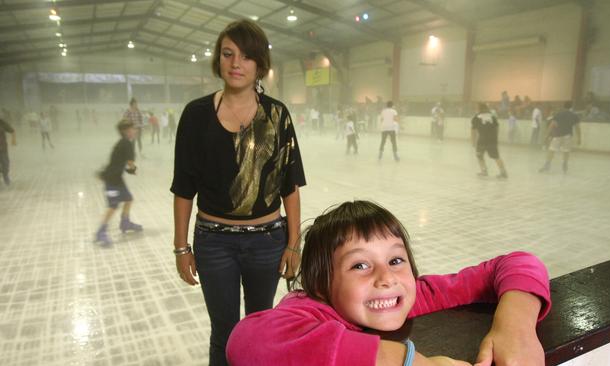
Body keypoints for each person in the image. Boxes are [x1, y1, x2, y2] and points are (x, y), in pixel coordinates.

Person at [226, 200, 551, 366]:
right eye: (360, 265)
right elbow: (247, 341)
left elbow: (518, 262)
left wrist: (515, 327)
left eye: (396, 260)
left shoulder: (416, 294)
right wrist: (406, 361)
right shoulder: (310, 309)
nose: (386, 278)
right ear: (322, 284)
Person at [171, 19, 306, 366]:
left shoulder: (276, 114)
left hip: (267, 243)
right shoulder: (196, 114)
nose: (236, 64)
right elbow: (184, 187)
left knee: (260, 328)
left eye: (246, 56)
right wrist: (181, 247)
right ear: (218, 60)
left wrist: (293, 243)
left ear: (260, 64)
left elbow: (289, 184)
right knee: (225, 332)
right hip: (214, 244)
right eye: (228, 54)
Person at [95, 119, 143, 245]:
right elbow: (130, 163)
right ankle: (101, 232)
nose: (135, 130)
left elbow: (120, 162)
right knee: (113, 205)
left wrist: (130, 170)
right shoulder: (126, 143)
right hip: (111, 179)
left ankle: (125, 223)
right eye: (133, 128)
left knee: (128, 199)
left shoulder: (123, 142)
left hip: (116, 178)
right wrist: (133, 170)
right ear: (126, 131)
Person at [539, 101, 581, 174]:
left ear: (564, 106)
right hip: (568, 136)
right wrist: (579, 138)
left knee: (551, 150)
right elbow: (577, 128)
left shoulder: (558, 114)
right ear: (571, 107)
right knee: (566, 151)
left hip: (558, 135)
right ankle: (565, 164)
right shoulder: (574, 115)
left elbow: (551, 125)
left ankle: (547, 164)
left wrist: (546, 135)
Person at [471, 103, 508, 179]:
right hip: (492, 140)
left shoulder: (476, 117)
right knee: (496, 156)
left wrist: (473, 141)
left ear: (479, 109)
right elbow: (497, 127)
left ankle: (484, 171)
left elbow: (473, 130)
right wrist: (495, 137)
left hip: (482, 140)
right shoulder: (492, 116)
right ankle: (503, 172)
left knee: (479, 155)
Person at [0, 117, 16, 186]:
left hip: (2, 148)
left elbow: (12, 130)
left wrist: (13, 140)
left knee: (5, 163)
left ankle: (5, 176)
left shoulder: (2, 122)